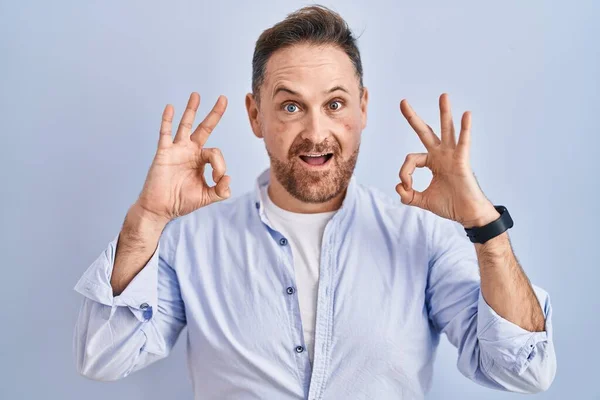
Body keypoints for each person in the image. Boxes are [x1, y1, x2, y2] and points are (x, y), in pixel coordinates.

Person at [73, 5, 556, 399]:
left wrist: (485, 228)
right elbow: (103, 357)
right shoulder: (194, 240)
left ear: (363, 108)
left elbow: (525, 372)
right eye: (290, 106)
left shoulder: (421, 236)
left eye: (335, 104)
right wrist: (147, 220)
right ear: (255, 114)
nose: (316, 132)